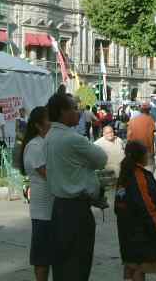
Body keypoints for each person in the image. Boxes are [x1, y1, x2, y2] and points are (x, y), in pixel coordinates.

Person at [45, 93, 107, 281]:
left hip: (60, 207)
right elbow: (101, 159)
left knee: (62, 264)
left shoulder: (50, 136)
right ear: (63, 111)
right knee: (78, 263)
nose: (78, 111)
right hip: (76, 210)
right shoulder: (72, 138)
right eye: (74, 108)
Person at [114, 141, 156, 281]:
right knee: (140, 267)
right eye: (146, 153)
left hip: (126, 229)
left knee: (130, 264)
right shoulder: (140, 177)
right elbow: (148, 206)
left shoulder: (125, 173)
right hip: (142, 231)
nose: (148, 155)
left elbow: (118, 203)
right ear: (140, 156)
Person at [21, 107, 54, 281]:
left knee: (50, 254)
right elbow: (48, 174)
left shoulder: (44, 143)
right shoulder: (35, 145)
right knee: (42, 257)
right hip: (42, 210)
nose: (53, 123)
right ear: (39, 125)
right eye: (49, 119)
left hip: (51, 207)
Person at [127, 102, 156, 172]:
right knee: (148, 171)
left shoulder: (132, 121)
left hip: (134, 150)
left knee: (136, 171)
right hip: (146, 149)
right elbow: (151, 137)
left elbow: (129, 136)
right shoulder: (150, 120)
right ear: (149, 110)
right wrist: (152, 151)